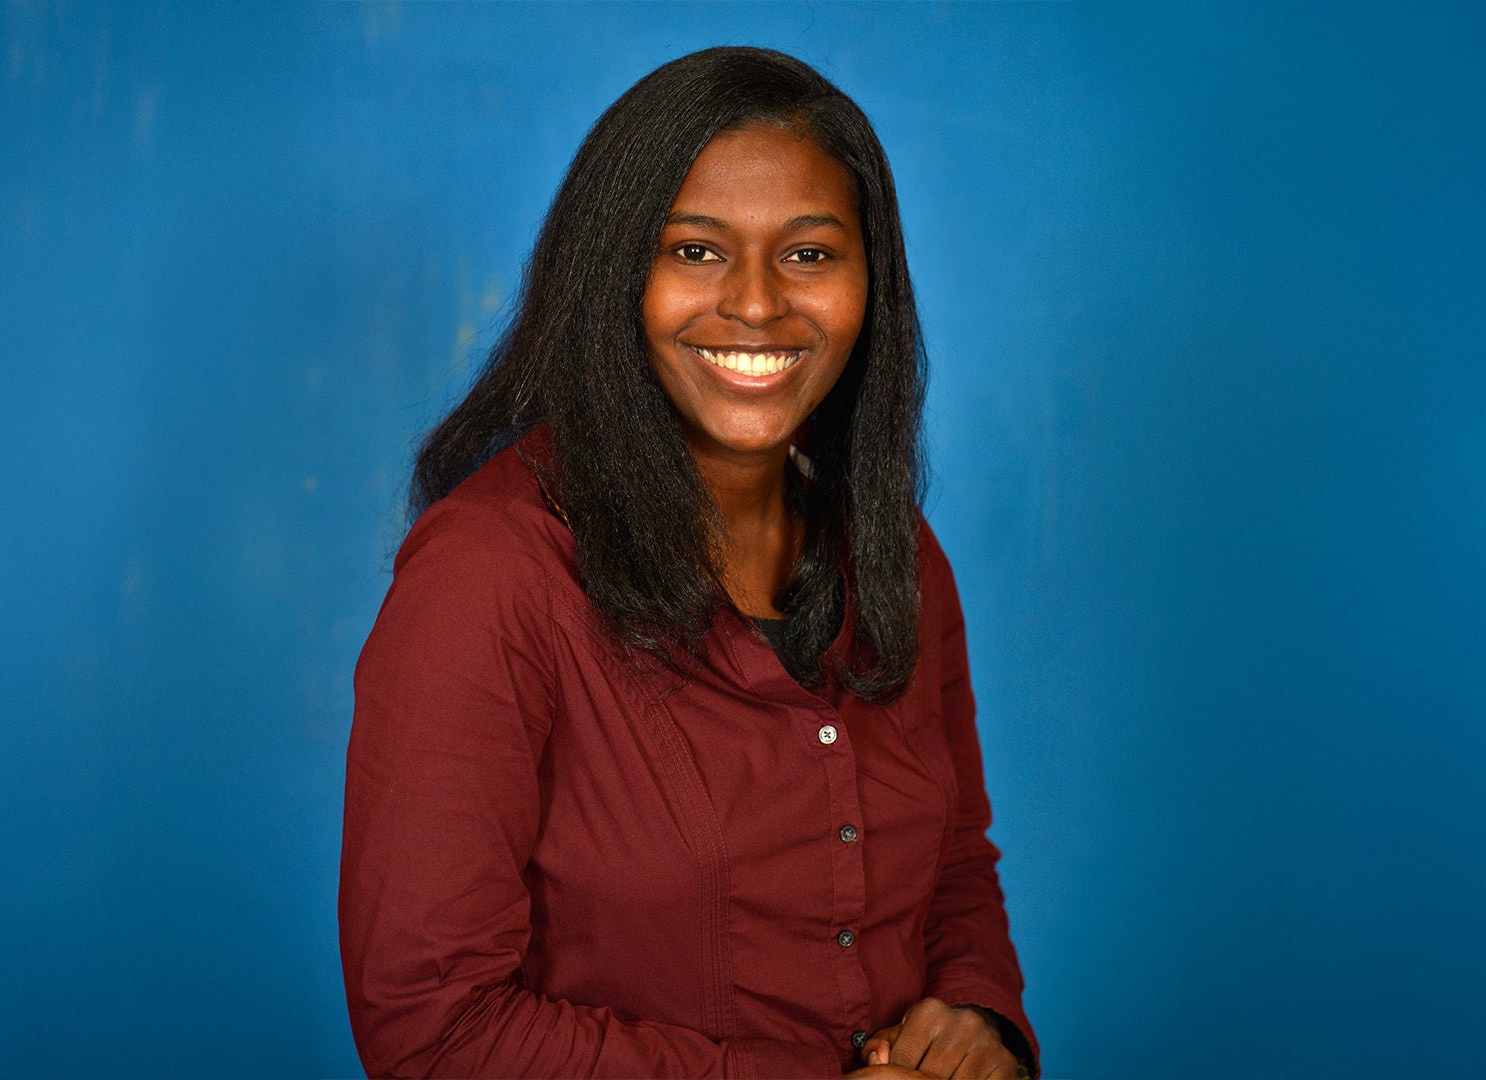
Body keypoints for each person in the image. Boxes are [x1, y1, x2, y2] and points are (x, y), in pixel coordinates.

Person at [340, 47, 1038, 1078]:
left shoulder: (894, 551)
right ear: (615, 271)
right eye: (697, 251)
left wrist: (982, 1026)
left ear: (870, 285)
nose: (756, 306)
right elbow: (434, 1027)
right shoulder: (487, 578)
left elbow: (954, 865)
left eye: (809, 254)